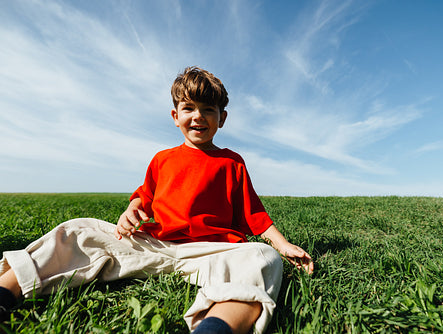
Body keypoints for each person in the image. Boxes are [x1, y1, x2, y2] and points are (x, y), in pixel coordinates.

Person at [0, 66, 313, 334]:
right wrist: (130, 211)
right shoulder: (162, 159)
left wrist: (281, 245)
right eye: (189, 108)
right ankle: (6, 292)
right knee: (79, 231)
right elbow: (144, 198)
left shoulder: (232, 163)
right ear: (175, 116)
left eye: (208, 110)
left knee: (263, 260)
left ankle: (215, 326)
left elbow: (253, 212)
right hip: (154, 245)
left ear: (222, 118)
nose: (198, 117)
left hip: (209, 252)